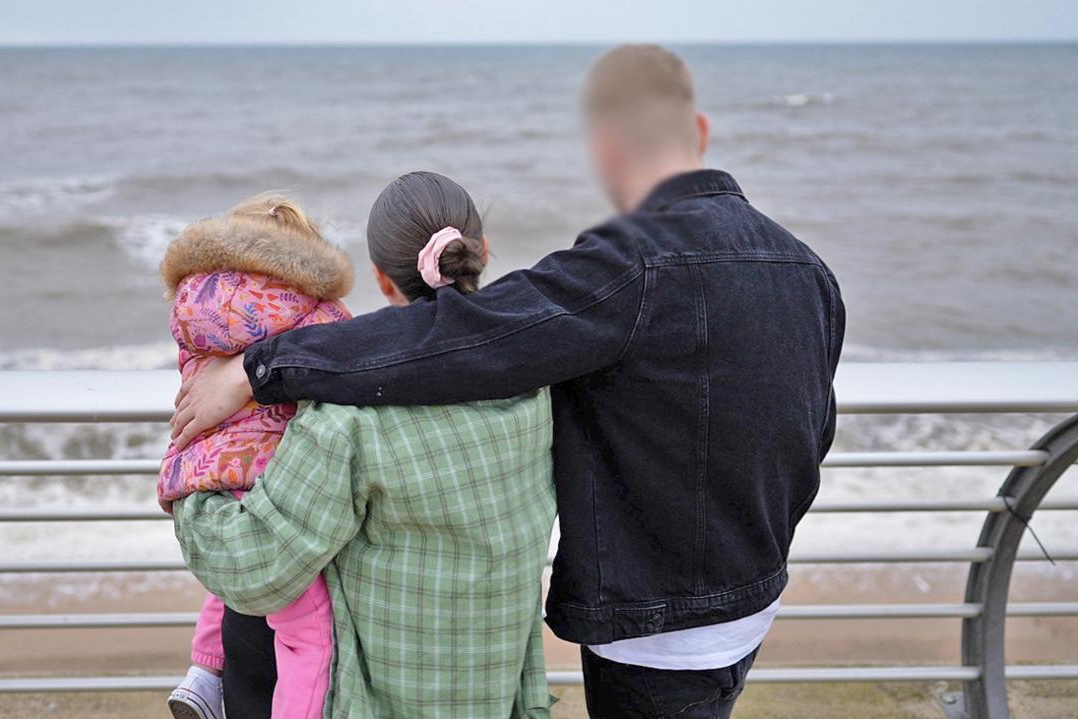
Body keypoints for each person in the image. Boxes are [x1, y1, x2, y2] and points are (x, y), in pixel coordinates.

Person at [171, 45, 846, 718]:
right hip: (751, 601)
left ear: (606, 146)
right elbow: (811, 431)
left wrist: (255, 374)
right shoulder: (807, 267)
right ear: (698, 132)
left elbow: (461, 336)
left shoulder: (629, 266)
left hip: (651, 629)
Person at [173, 171, 557, 718]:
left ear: (380, 279)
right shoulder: (538, 388)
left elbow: (255, 571)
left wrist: (190, 479)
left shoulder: (347, 420)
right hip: (495, 695)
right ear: (482, 251)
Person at [156, 194, 353, 719]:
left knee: (231, 579)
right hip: (274, 489)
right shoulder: (316, 315)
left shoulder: (195, 305)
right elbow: (353, 354)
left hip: (207, 483)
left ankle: (203, 675)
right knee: (307, 632)